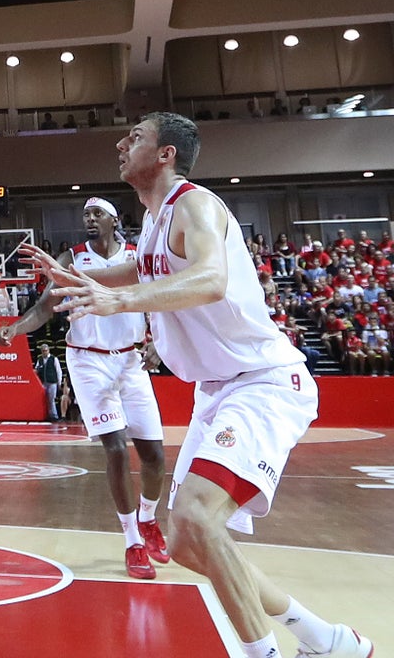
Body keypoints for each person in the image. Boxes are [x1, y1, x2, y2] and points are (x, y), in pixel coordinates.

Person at [24, 113, 372, 658]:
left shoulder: (195, 204)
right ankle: (325, 639)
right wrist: (76, 278)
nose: (121, 144)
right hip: (217, 389)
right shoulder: (155, 220)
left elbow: (210, 279)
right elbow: (138, 270)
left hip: (261, 381)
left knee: (195, 517)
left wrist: (119, 301)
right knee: (189, 542)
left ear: (166, 153)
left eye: (136, 136)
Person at [0, 196, 169, 580]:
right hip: (88, 360)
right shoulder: (72, 258)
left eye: (97, 214)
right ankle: (132, 541)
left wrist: (159, 342)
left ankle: (148, 519)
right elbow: (46, 306)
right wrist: (16, 328)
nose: (90, 219)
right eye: (86, 215)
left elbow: (161, 302)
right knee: (116, 449)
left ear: (114, 220)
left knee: (155, 456)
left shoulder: (137, 257)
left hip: (131, 360)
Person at [33, 343, 62, 421]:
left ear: (48, 350)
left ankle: (54, 416)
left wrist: (59, 382)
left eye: (46, 350)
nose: (44, 352)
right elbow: (36, 370)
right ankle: (46, 415)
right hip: (43, 382)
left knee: (51, 399)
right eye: (43, 351)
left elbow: (58, 371)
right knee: (44, 400)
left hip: (52, 382)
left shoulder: (54, 359)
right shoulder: (40, 360)